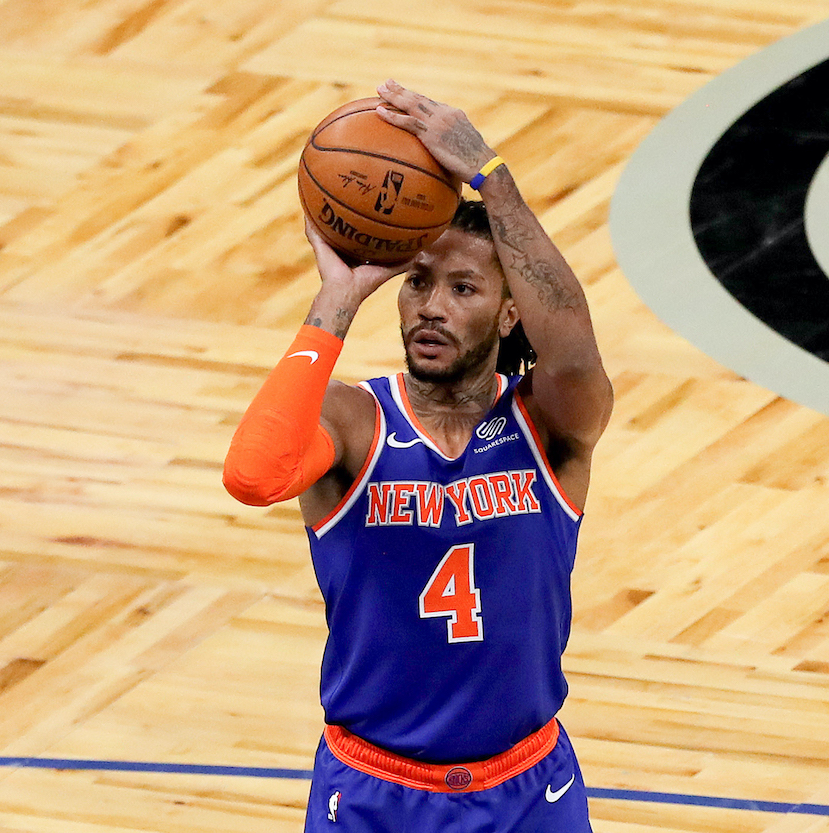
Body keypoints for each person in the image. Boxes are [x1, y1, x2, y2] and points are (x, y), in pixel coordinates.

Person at [224, 79, 613, 833]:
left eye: (462, 286)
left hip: (528, 789)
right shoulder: (354, 420)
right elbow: (253, 474)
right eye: (419, 282)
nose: (430, 305)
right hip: (375, 792)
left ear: (509, 312)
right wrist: (336, 297)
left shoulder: (551, 425)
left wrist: (492, 177)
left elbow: (570, 341)